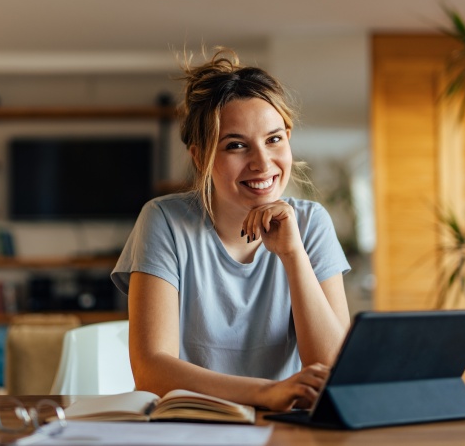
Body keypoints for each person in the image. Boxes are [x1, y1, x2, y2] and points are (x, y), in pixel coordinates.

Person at [111, 47, 351, 412]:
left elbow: (333, 370)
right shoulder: (164, 221)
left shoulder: (311, 223)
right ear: (200, 156)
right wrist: (265, 393)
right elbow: (150, 371)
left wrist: (292, 254)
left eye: (274, 140)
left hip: (283, 430)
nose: (262, 163)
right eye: (236, 145)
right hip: (192, 425)